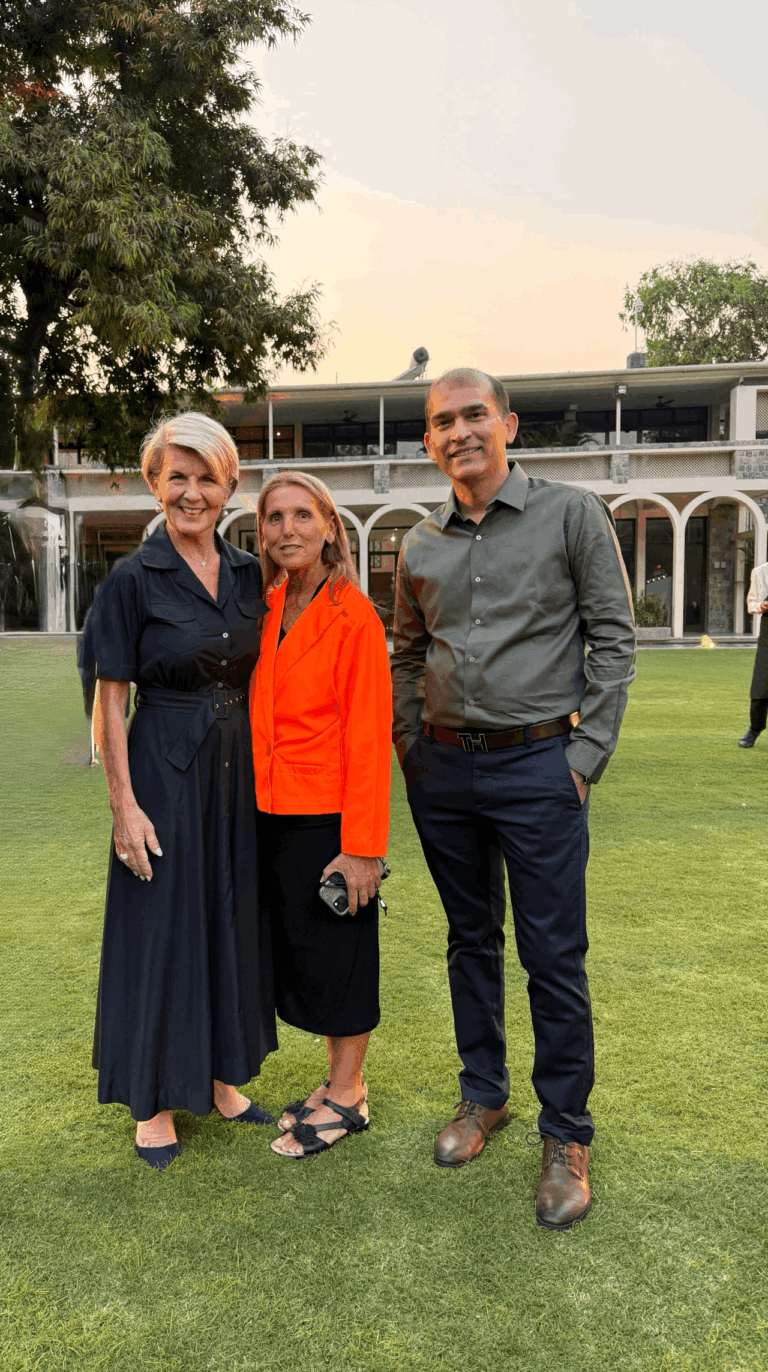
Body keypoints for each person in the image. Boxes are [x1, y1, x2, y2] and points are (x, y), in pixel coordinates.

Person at [391, 368, 636, 1230]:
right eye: (442, 421)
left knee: (553, 955)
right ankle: (483, 1094)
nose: (459, 431)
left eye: (474, 415)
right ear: (429, 441)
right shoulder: (418, 544)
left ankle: (565, 1133)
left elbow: (614, 638)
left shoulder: (571, 515)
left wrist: (584, 757)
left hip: (541, 768)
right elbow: (406, 651)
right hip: (444, 770)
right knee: (470, 940)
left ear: (509, 424)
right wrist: (411, 747)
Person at [84, 412, 277, 1170]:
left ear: (230, 487)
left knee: (230, 917)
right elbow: (109, 702)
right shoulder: (130, 581)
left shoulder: (251, 574)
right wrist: (124, 808)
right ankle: (153, 1103)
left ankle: (224, 1080)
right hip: (162, 770)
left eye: (207, 478)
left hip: (240, 770)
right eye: (177, 478)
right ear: (154, 485)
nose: (192, 493)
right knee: (160, 928)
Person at [249, 471, 392, 1159]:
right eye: (275, 518)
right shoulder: (269, 605)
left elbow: (369, 736)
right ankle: (336, 1082)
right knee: (307, 956)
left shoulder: (353, 615)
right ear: (261, 533)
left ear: (330, 526)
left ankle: (348, 1094)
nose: (289, 530)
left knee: (342, 958)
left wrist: (362, 846)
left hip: (330, 818)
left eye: (303, 515)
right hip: (269, 809)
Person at [738, 560, 768, 747]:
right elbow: (752, 603)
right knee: (761, 684)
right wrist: (762, 606)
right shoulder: (761, 572)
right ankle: (755, 728)